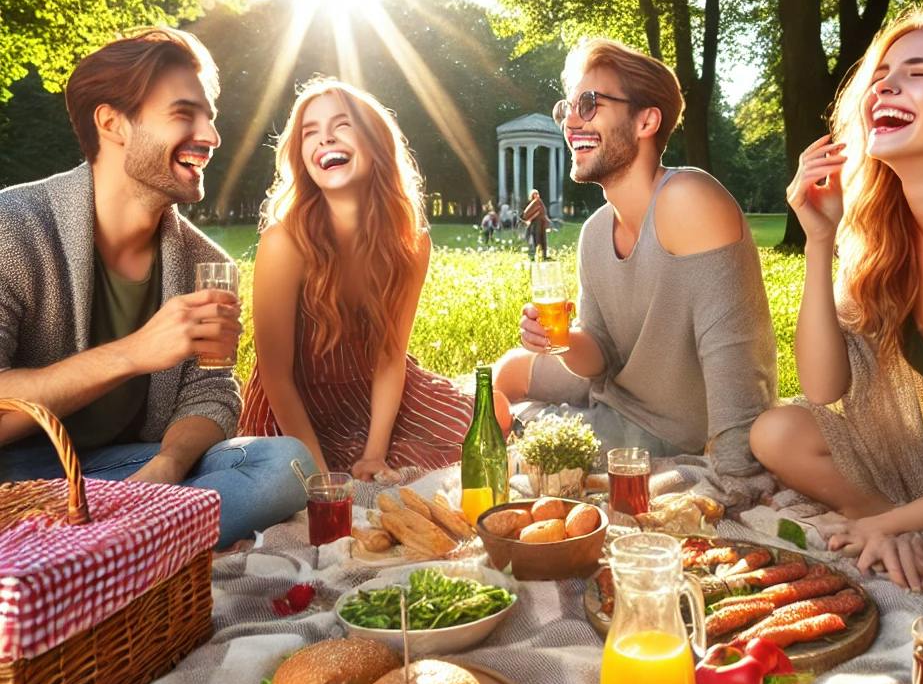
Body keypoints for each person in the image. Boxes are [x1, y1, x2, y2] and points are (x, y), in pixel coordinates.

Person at [749, 7, 923, 605]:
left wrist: (884, 524)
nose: (886, 86)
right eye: (882, 75)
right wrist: (821, 238)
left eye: (919, 73)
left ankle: (913, 528)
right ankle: (914, 524)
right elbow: (823, 388)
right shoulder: (890, 236)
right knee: (777, 428)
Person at [0, 27, 313, 549]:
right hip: (16, 478)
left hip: (124, 472)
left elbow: (210, 392)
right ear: (112, 123)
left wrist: (167, 466)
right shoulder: (12, 228)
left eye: (210, 116)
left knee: (284, 465)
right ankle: (138, 547)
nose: (211, 135)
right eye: (184, 113)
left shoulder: (205, 263)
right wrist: (135, 353)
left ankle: (94, 551)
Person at [493, 39, 776, 481]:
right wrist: (562, 338)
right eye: (567, 107)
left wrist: (735, 470)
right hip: (615, 391)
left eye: (588, 103)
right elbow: (601, 357)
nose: (571, 121)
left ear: (646, 120)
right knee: (505, 372)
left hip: (661, 431)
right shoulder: (594, 232)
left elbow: (736, 366)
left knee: (523, 438)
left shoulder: (689, 201)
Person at [238, 78, 510, 480]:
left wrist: (375, 453)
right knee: (296, 476)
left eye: (341, 125)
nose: (324, 139)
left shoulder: (411, 241)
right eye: (310, 133)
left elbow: (390, 355)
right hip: (296, 405)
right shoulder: (284, 241)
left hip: (373, 392)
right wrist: (318, 474)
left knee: (497, 412)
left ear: (376, 141)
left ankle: (375, 453)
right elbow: (276, 375)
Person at [522, 188, 549, 260]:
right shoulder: (534, 203)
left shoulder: (540, 202)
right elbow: (526, 214)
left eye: (537, 194)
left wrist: (546, 221)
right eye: (535, 194)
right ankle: (537, 255)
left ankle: (544, 255)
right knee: (537, 240)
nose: (537, 195)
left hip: (542, 224)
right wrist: (530, 218)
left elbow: (543, 213)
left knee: (543, 240)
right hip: (536, 224)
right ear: (532, 196)